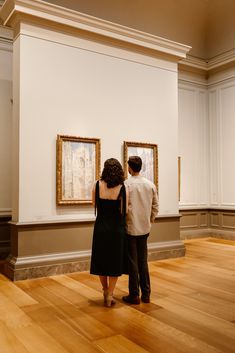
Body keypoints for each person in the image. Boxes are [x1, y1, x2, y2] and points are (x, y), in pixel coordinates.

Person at [90, 158, 128, 307]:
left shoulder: (97, 185)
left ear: (105, 169)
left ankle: (104, 290)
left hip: (100, 227)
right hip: (116, 228)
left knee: (101, 260)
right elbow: (123, 210)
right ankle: (110, 295)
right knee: (114, 262)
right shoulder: (122, 187)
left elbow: (94, 204)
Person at [123, 156, 159, 304]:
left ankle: (134, 294)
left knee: (133, 262)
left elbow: (123, 208)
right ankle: (146, 294)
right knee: (143, 261)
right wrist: (149, 220)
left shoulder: (126, 185)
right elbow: (155, 206)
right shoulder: (150, 185)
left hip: (130, 227)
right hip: (145, 228)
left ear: (129, 168)